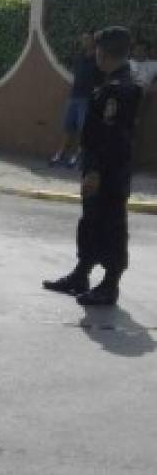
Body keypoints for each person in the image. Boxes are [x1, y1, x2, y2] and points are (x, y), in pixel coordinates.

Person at [43, 27, 143, 307]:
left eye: (97, 50)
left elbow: (109, 136)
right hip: (99, 167)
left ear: (103, 52)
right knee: (90, 221)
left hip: (108, 170)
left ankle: (110, 285)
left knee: (111, 223)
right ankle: (81, 274)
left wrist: (96, 171)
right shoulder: (111, 82)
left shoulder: (119, 88)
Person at [50, 32, 100, 168]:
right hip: (74, 96)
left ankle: (76, 156)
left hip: (87, 97)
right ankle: (59, 154)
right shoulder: (80, 57)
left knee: (82, 129)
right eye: (82, 39)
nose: (83, 41)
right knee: (68, 127)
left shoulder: (98, 59)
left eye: (86, 39)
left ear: (93, 41)